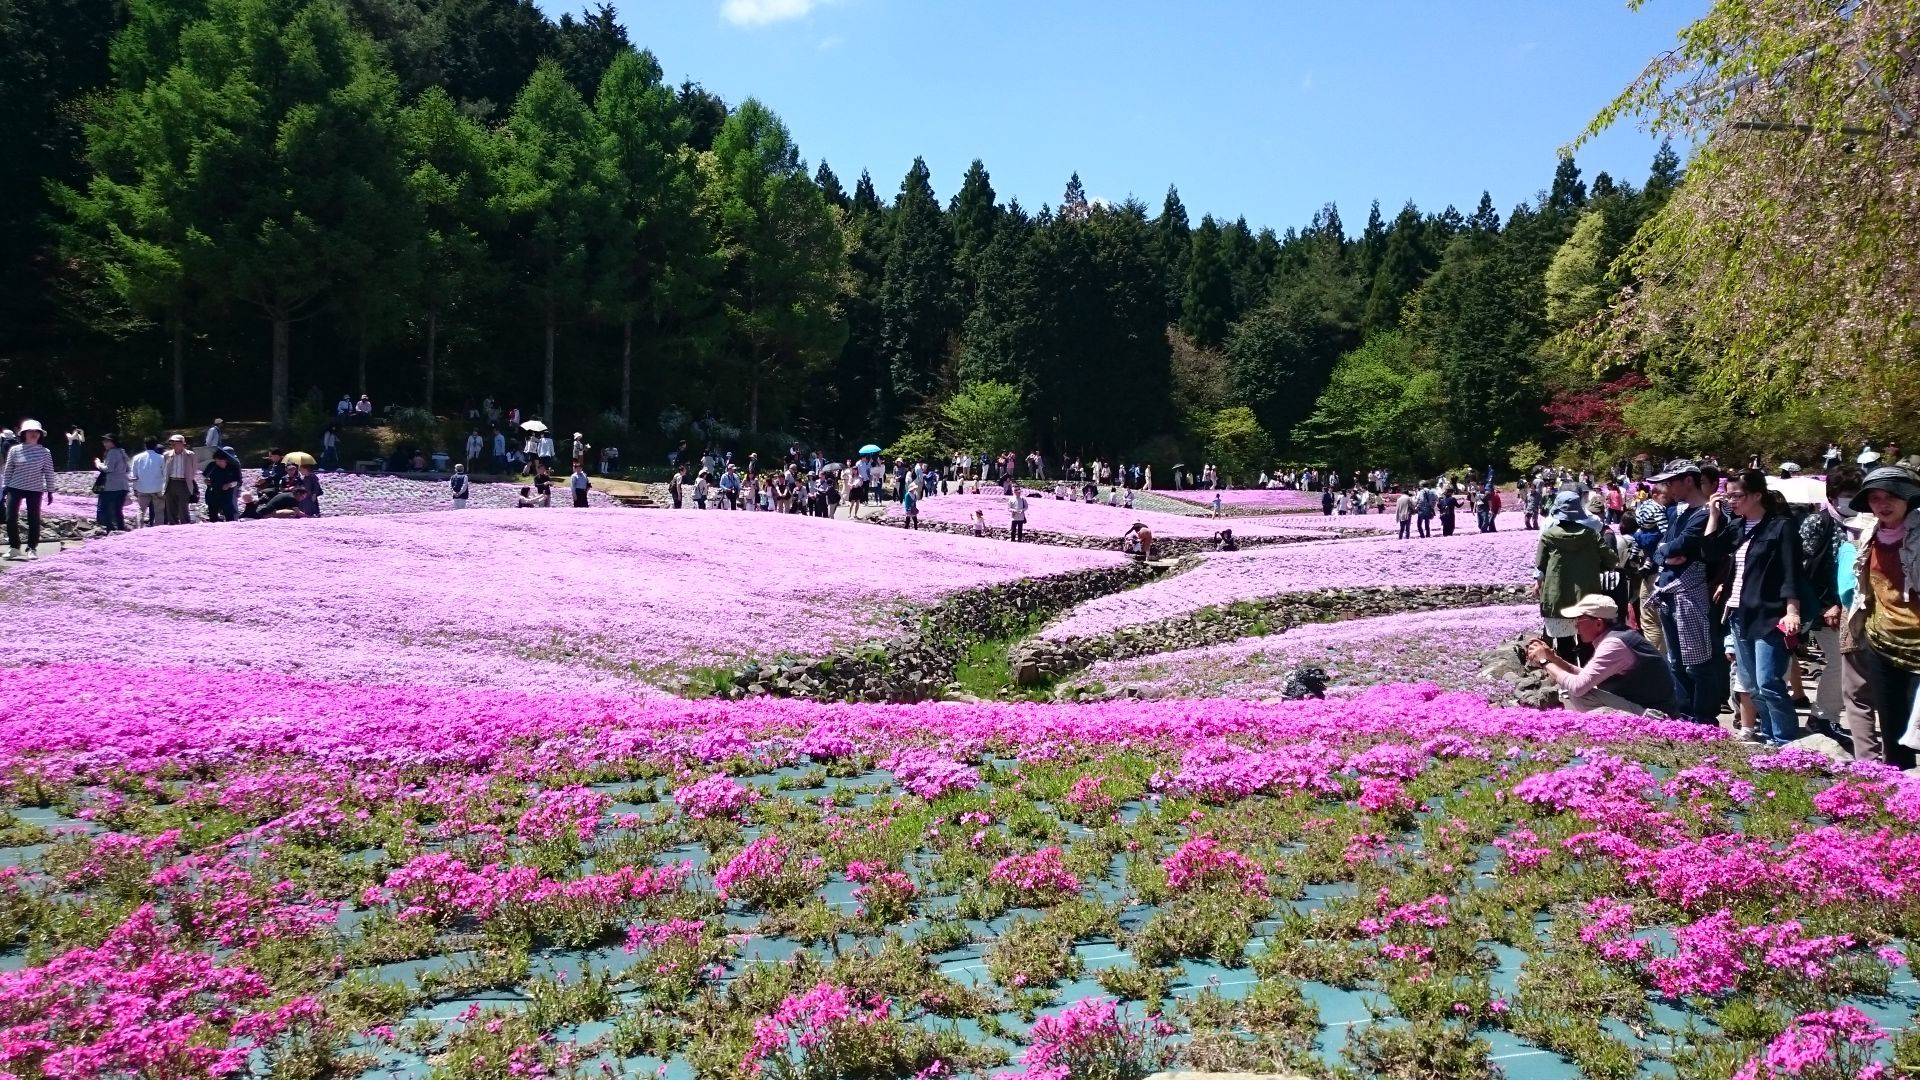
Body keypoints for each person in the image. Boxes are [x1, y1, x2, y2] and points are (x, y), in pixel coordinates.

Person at [1710, 470, 1805, 745]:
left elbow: (1791, 572)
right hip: (1738, 612)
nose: (1731, 501)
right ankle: (1769, 735)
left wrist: (1792, 610)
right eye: (1727, 495)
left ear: (1757, 495)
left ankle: (1786, 741)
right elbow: (1709, 552)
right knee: (1750, 685)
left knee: (1769, 682)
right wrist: (1714, 517)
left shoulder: (1781, 527)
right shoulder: (1737, 527)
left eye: (1736, 495)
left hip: (1769, 612)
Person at [1847, 465, 1920, 768]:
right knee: (1892, 726)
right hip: (1881, 640)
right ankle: (1898, 803)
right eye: (1875, 498)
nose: (1882, 504)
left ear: (1908, 498)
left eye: (1891, 496)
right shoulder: (1869, 535)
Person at [1649, 459, 1731, 726]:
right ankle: (1685, 715)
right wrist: (1664, 553)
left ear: (1688, 480)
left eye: (1672, 481)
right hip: (1671, 591)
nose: (1667, 487)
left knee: (1698, 660)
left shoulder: (1707, 513)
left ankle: (1705, 718)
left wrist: (1665, 552)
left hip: (1691, 593)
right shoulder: (1680, 513)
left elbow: (1678, 546)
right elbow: (1663, 548)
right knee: (1676, 660)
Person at [1524, 595, 1675, 715]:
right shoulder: (1617, 636)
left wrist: (1544, 661)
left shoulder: (1614, 645)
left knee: (1579, 694)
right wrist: (1553, 658)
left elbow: (1578, 687)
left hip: (1656, 715)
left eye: (1579, 619)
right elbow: (1588, 677)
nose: (1575, 625)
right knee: (1581, 689)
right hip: (1645, 706)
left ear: (1598, 623)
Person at [1800, 466, 1863, 743]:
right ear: (1834, 495)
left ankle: (1827, 716)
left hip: (1852, 606)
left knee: (1848, 663)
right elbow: (1806, 569)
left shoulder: (1861, 524)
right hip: (1823, 609)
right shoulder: (1818, 522)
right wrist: (1827, 604)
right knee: (1839, 662)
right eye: (1848, 495)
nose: (1853, 500)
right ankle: (1823, 717)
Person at [1535, 491, 1617, 662]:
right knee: (1587, 642)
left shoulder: (1549, 535)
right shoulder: (1591, 534)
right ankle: (1590, 681)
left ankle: (1570, 683)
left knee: (1564, 645)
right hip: (1587, 595)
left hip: (1557, 595)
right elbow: (1611, 560)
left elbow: (1540, 567)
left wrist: (1538, 583)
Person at [2, 421, 57, 559]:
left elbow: (49, 472)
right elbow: (8, 470)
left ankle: (32, 548)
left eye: (36, 431)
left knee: (33, 518)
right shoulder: (15, 450)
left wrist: (50, 491)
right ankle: (14, 547)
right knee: (10, 517)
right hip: (15, 487)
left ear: (40, 434)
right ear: (24, 433)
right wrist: (4, 488)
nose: (33, 433)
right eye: (30, 431)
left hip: (35, 488)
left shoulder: (45, 452)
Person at [94, 433, 130, 531]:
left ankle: (111, 530)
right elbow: (127, 469)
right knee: (118, 510)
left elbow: (108, 469)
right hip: (123, 486)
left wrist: (98, 464)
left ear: (113, 442)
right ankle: (120, 529)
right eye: (104, 441)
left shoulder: (112, 452)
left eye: (107, 441)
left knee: (104, 508)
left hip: (111, 486)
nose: (104, 443)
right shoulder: (122, 452)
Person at [161, 434, 197, 525]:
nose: (173, 444)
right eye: (171, 442)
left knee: (183, 507)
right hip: (170, 482)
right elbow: (163, 469)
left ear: (182, 443)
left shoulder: (190, 455)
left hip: (184, 483)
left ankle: (185, 526)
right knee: (170, 506)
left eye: (175, 442)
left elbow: (194, 469)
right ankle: (173, 525)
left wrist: (190, 479)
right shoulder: (166, 455)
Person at [130, 437, 166, 526]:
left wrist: (134, 488)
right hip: (157, 488)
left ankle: (140, 528)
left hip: (142, 488)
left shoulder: (137, 458)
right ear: (155, 446)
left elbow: (134, 475)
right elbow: (165, 474)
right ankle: (158, 528)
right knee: (159, 511)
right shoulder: (161, 458)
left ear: (145, 445)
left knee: (141, 511)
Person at [200, 447, 242, 522]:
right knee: (212, 512)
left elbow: (238, 481)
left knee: (228, 512)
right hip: (212, 491)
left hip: (227, 493)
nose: (218, 462)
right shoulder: (212, 465)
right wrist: (206, 481)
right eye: (216, 460)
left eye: (220, 461)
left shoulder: (233, 467)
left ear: (226, 460)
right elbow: (205, 476)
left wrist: (229, 485)